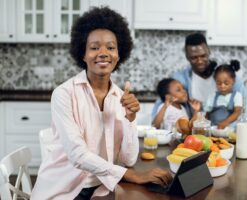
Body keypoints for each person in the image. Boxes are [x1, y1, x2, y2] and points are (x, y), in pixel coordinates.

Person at [31, 7, 172, 200]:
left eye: (111, 47)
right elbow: (77, 155)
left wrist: (131, 119)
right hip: (62, 191)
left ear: (119, 55)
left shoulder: (120, 97)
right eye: (95, 47)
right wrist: (132, 175)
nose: (103, 53)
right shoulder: (64, 94)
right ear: (83, 54)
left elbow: (129, 159)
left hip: (102, 187)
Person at [152, 33, 247, 127]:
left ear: (209, 52)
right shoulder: (181, 78)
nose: (200, 61)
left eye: (203, 56)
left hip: (227, 131)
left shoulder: (226, 76)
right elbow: (161, 105)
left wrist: (228, 128)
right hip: (196, 133)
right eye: (194, 57)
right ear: (187, 57)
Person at [205, 60, 243, 129]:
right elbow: (207, 114)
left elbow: (237, 112)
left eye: (226, 83)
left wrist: (225, 122)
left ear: (233, 81)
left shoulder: (237, 95)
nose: (222, 86)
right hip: (213, 130)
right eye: (219, 83)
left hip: (229, 130)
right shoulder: (212, 96)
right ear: (215, 81)